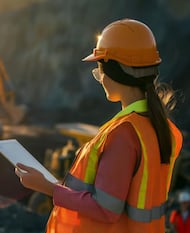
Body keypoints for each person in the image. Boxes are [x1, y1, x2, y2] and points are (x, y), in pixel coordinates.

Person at [14, 18, 183, 233]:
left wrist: (47, 188)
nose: (100, 79)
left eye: (99, 71)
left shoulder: (124, 134)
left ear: (115, 71)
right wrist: (57, 184)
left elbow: (106, 209)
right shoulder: (160, 127)